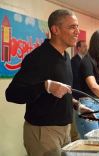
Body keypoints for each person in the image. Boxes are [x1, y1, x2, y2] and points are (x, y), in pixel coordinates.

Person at [5, 9, 94, 156]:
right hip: (44, 132)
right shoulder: (37, 58)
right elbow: (12, 94)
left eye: (77, 26)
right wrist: (45, 86)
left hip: (66, 128)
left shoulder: (65, 56)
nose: (77, 32)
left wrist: (77, 105)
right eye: (72, 27)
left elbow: (62, 91)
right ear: (55, 29)